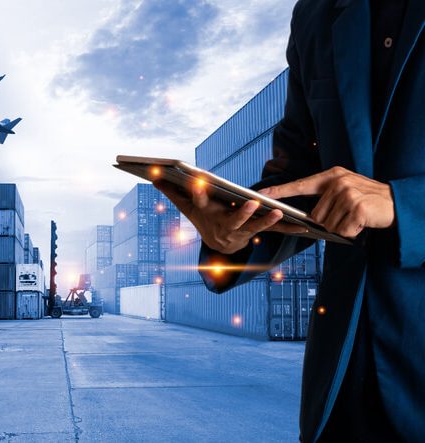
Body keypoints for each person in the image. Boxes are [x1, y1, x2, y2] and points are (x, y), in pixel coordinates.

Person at [154, 0, 425, 441]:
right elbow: (299, 175)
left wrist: (406, 205)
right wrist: (232, 234)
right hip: (342, 381)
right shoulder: (315, 14)